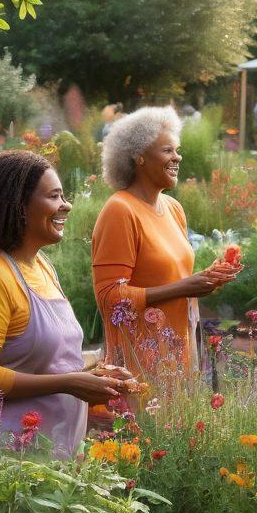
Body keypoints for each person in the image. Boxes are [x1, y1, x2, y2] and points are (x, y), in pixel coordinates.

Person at [0, 151, 126, 458]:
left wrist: (99, 370)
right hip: (8, 464)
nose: (67, 205)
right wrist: (70, 383)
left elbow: (50, 359)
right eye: (54, 196)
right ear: (19, 207)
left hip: (51, 454)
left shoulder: (42, 266)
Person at [92, 106, 237, 384]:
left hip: (176, 351)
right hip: (140, 361)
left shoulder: (173, 208)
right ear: (139, 157)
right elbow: (110, 297)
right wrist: (185, 286)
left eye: (177, 150)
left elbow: (172, 279)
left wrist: (207, 279)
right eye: (168, 150)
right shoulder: (120, 210)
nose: (177, 157)